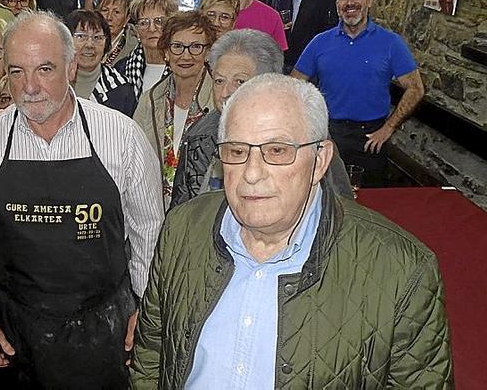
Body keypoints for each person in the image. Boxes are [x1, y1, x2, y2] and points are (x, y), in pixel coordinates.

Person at [131, 74, 452, 388]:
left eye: (277, 151)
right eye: (237, 151)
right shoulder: (182, 228)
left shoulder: (403, 271)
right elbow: (151, 356)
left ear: (320, 159)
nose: (252, 173)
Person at [0, 11, 163, 389]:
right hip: (18, 332)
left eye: (44, 69)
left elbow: (148, 232)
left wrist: (144, 310)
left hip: (104, 328)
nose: (29, 86)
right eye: (16, 72)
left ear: (71, 68)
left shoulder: (120, 136)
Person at [292, 0, 424, 187]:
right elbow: (294, 84)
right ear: (337, 5)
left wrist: (388, 128)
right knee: (326, 196)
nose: (350, 2)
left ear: (370, 0)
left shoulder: (391, 43)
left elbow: (415, 88)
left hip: (371, 138)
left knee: (370, 201)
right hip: (329, 134)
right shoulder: (320, 42)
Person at [169, 29, 283, 207]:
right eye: (219, 81)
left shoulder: (297, 131)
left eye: (239, 82)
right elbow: (183, 212)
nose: (224, 93)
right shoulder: (199, 138)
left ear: (268, 83)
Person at [133, 11, 215, 209]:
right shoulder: (149, 101)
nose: (186, 55)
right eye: (177, 46)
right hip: (153, 211)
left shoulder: (218, 102)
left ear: (208, 52)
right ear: (166, 52)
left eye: (196, 47)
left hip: (200, 213)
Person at [65, 10, 137, 117]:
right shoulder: (52, 81)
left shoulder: (120, 88)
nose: (89, 44)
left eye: (97, 37)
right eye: (81, 36)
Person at [116, 0, 179, 98]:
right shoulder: (121, 69)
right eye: (144, 22)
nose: (152, 29)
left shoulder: (182, 66)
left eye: (159, 21)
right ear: (137, 30)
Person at [98, 0, 139, 66]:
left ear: (127, 18)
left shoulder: (134, 47)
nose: (109, 17)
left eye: (116, 12)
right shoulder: (87, 39)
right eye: (105, 10)